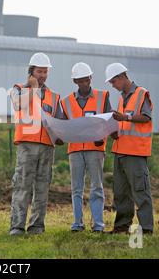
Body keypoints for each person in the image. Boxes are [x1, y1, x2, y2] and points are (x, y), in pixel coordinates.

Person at [9, 52, 64, 235]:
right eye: (39, 72)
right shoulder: (18, 89)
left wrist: (61, 135)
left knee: (42, 188)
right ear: (31, 72)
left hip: (47, 147)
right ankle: (17, 227)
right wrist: (32, 89)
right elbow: (19, 106)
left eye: (45, 72)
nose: (43, 75)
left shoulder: (54, 96)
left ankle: (36, 226)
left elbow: (60, 121)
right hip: (27, 145)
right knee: (22, 185)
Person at [60, 62, 112, 233]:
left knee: (97, 187)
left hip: (95, 149)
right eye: (81, 81)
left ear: (91, 78)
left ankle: (98, 225)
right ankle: (77, 224)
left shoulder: (103, 96)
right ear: (75, 81)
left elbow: (109, 121)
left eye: (87, 80)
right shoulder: (66, 102)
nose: (85, 84)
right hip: (75, 150)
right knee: (76, 188)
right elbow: (63, 126)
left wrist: (101, 137)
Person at [105, 62, 154, 235]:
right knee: (121, 192)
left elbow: (146, 117)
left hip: (135, 151)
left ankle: (146, 229)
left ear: (122, 77)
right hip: (120, 150)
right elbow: (124, 123)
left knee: (140, 191)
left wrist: (125, 117)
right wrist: (114, 131)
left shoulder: (141, 93)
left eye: (113, 81)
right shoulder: (121, 98)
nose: (113, 85)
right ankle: (122, 226)